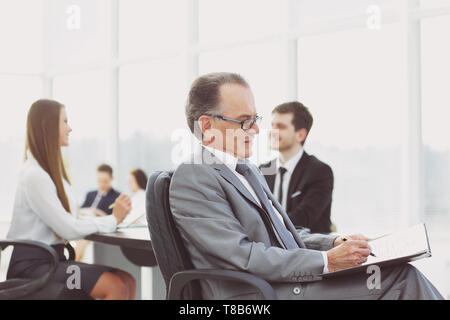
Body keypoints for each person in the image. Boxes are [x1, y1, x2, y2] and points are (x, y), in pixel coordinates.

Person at [168, 72, 443, 300]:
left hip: (281, 282)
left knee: (397, 271)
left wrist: (333, 242)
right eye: (244, 121)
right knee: (400, 279)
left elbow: (281, 234)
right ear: (206, 125)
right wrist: (327, 261)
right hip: (256, 293)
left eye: (255, 119)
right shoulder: (195, 176)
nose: (255, 131)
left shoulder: (247, 169)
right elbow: (243, 256)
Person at [6, 99, 136, 300]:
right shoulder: (34, 175)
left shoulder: (48, 174)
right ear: (47, 127)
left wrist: (113, 218)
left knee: (127, 280)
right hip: (34, 270)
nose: (70, 128)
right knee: (116, 286)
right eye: (65, 121)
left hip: (53, 263)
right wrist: (112, 219)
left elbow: (70, 220)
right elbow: (67, 228)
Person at [259, 102, 333, 234]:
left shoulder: (320, 171)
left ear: (300, 135)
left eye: (281, 127)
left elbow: (303, 219)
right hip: (271, 249)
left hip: (310, 249)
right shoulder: (262, 170)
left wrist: (261, 223)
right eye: (272, 125)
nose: (272, 132)